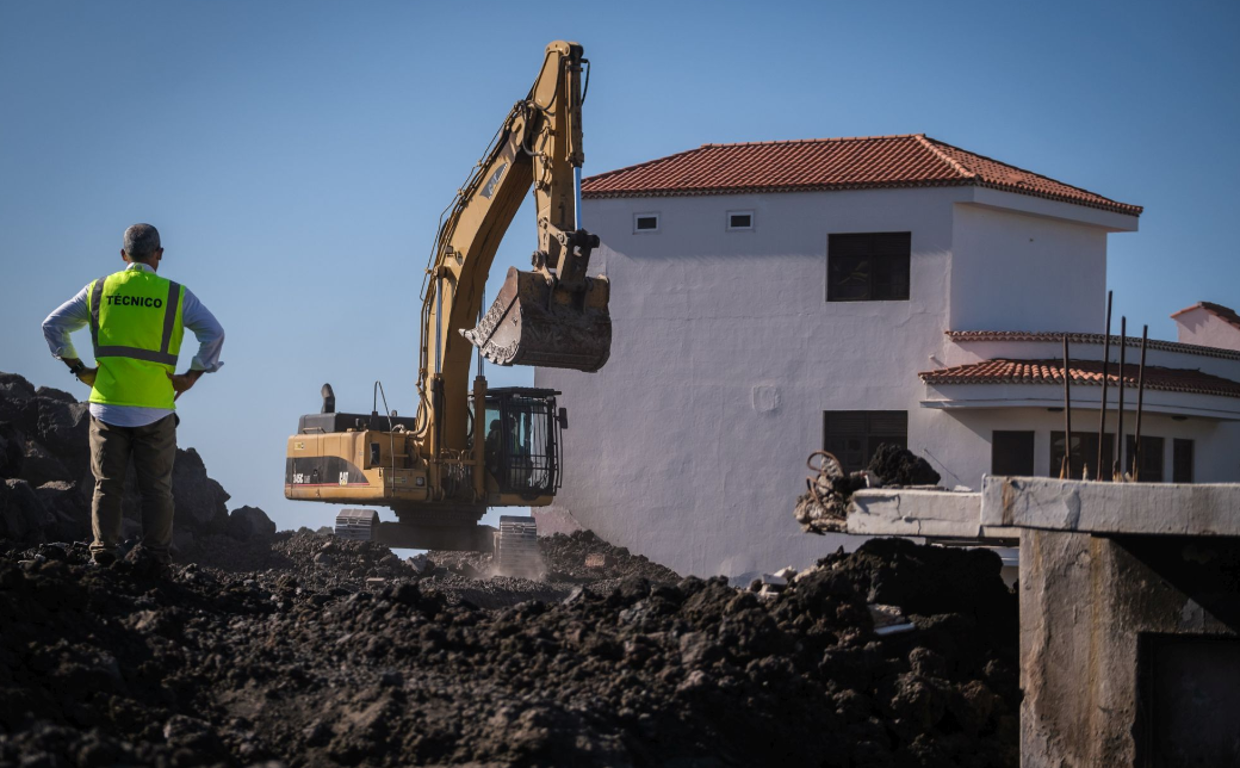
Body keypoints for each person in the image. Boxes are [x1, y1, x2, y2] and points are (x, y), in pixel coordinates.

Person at [41, 224, 224, 569]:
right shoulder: (174, 295)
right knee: (157, 489)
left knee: (107, 485)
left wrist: (78, 368)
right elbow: (214, 333)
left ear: (123, 255)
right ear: (159, 255)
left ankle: (103, 553)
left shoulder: (99, 290)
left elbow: (52, 325)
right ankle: (156, 557)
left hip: (107, 405)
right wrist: (191, 377)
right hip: (156, 409)